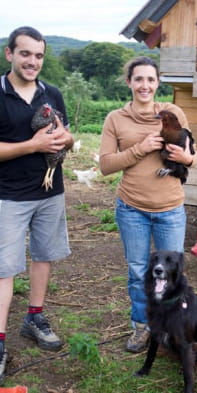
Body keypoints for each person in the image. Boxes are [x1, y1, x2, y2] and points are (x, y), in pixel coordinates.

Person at [99, 56, 197, 353]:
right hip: (132, 209)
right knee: (139, 271)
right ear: (129, 82)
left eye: (151, 80)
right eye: (139, 79)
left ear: (158, 83)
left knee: (172, 273)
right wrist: (140, 148)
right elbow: (105, 165)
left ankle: (171, 327)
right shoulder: (115, 119)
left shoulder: (173, 112)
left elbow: (195, 154)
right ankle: (142, 327)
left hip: (170, 209)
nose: (145, 85)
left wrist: (187, 159)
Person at [0, 26, 74, 381]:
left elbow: (67, 135)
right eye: (26, 54)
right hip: (8, 196)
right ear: (9, 54)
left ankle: (34, 317)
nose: (33, 61)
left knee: (43, 256)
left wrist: (67, 138)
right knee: (4, 269)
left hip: (49, 192)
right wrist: (33, 145)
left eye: (39, 55)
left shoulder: (52, 93)